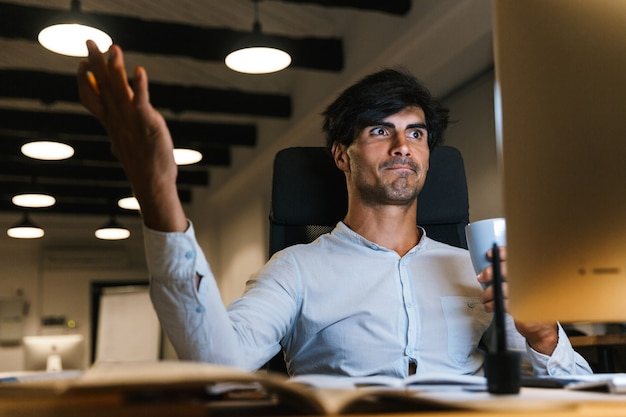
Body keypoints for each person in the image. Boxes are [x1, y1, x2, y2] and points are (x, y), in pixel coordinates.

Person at [77, 40, 592, 377]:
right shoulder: (296, 269)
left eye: (416, 133)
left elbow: (580, 397)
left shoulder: (478, 272)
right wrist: (156, 190)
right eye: (379, 131)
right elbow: (215, 363)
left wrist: (545, 336)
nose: (401, 146)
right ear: (342, 155)